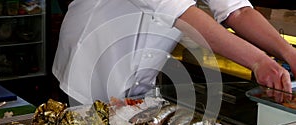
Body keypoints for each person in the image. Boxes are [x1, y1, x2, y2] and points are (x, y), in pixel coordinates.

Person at [52, 0, 296, 104]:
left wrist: (289, 52)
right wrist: (258, 61)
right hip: (89, 65)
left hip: (142, 74)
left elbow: (237, 10)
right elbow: (183, 13)